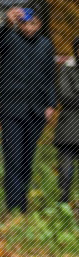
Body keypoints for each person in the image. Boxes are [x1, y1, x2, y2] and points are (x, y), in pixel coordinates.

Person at [0, 7, 57, 213]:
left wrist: (51, 104)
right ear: (19, 24)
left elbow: (50, 76)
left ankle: (22, 206)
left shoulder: (46, 45)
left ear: (39, 24)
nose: (29, 28)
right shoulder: (9, 39)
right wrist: (6, 22)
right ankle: (12, 207)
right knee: (13, 158)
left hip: (36, 111)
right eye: (24, 24)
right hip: (12, 109)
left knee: (27, 160)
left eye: (33, 24)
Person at [55, 36, 78, 215]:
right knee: (65, 171)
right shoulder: (66, 68)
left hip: (69, 123)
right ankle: (62, 208)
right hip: (69, 127)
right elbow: (64, 96)